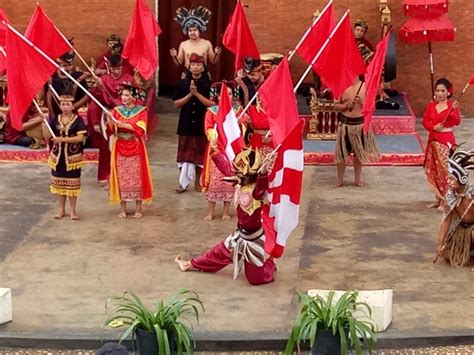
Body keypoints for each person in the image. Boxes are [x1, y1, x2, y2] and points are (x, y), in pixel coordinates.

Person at [175, 148, 277, 286]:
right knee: (215, 254)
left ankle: (270, 262)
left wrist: (264, 171)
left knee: (256, 279)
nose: (235, 173)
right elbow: (226, 169)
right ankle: (188, 264)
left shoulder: (256, 191)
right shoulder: (240, 182)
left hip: (253, 240)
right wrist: (215, 153)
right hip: (239, 235)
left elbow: (262, 184)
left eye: (240, 171)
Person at [87, 54, 136, 186]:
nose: (116, 71)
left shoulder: (129, 80)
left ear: (122, 67)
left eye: (118, 68)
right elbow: (95, 101)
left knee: (124, 145)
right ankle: (106, 176)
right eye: (113, 68)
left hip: (125, 115)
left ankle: (123, 175)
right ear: (109, 67)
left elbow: (137, 99)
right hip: (108, 115)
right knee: (106, 146)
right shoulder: (103, 80)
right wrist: (96, 121)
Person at [107, 83, 153, 219]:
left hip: (135, 146)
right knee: (122, 178)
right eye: (123, 95)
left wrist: (123, 125)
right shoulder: (116, 111)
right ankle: (123, 209)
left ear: (134, 97)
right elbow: (111, 130)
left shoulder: (141, 111)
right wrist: (110, 120)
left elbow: (140, 129)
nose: (124, 98)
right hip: (120, 146)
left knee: (137, 177)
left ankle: (138, 208)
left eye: (127, 95)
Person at [173, 53, 213, 193]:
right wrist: (190, 94)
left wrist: (197, 94)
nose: (195, 67)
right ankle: (183, 183)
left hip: (202, 125)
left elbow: (212, 104)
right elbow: (176, 104)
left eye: (198, 65)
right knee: (184, 156)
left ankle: (198, 181)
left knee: (201, 156)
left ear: (203, 68)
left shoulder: (208, 84)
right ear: (189, 67)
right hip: (185, 124)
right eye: (193, 65)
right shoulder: (183, 83)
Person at [201, 81, 241, 221]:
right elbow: (208, 128)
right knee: (215, 181)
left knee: (229, 181)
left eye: (230, 94)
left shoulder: (237, 112)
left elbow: (240, 131)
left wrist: (243, 123)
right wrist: (214, 135)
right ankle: (210, 211)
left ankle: (226, 211)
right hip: (216, 149)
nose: (227, 96)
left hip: (230, 150)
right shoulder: (211, 112)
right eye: (224, 94)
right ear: (218, 96)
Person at [43, 95, 88, 220]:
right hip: (58, 157)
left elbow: (80, 138)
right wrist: (44, 123)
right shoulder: (55, 119)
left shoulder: (78, 120)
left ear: (72, 106)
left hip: (72, 157)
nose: (65, 107)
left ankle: (73, 211)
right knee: (60, 185)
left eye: (67, 104)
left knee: (72, 185)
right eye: (62, 104)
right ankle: (61, 209)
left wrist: (62, 139)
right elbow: (47, 136)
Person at [333, 76, 380, 187]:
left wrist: (362, 103)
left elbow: (372, 107)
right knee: (342, 155)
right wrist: (346, 106)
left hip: (360, 124)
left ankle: (357, 180)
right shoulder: (341, 86)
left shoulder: (365, 86)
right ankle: (339, 180)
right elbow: (335, 106)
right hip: (345, 125)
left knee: (359, 155)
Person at [423, 78, 461, 209]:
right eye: (437, 90)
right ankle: (437, 198)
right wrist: (433, 127)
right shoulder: (431, 106)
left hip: (446, 141)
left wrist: (454, 110)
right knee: (434, 169)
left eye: (442, 91)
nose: (439, 93)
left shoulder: (452, 106)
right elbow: (425, 121)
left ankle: (446, 199)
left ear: (448, 92)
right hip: (433, 139)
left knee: (446, 170)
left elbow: (457, 121)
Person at [434, 148, 474, 267]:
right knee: (448, 256)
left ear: (461, 179)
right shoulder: (451, 195)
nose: (448, 181)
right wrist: (440, 244)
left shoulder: (472, 195)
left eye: (452, 179)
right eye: (448, 178)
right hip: (463, 229)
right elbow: (446, 219)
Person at [170, 6, 221, 71]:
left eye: (195, 30)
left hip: (203, 76)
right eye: (190, 31)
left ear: (199, 31)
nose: (192, 32)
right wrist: (174, 56)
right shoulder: (183, 44)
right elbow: (178, 63)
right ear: (187, 31)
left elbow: (213, 61)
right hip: (187, 76)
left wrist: (217, 54)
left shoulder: (207, 43)